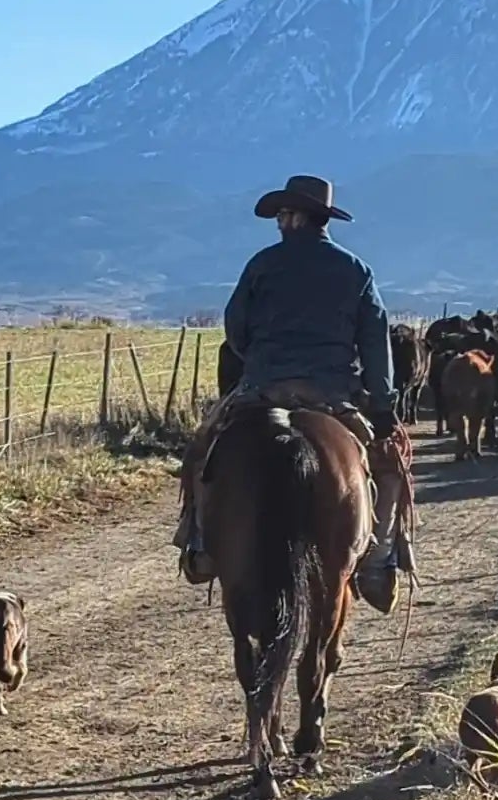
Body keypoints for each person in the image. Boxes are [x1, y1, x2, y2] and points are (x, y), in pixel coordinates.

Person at [174, 175, 414, 608]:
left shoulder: (262, 265)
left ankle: (201, 544)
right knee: (389, 463)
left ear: (300, 216)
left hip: (262, 388)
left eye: (284, 213)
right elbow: (376, 345)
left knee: (203, 448)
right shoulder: (356, 270)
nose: (280, 221)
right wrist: (382, 407)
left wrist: (260, 362)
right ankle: (377, 562)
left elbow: (236, 330)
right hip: (333, 392)